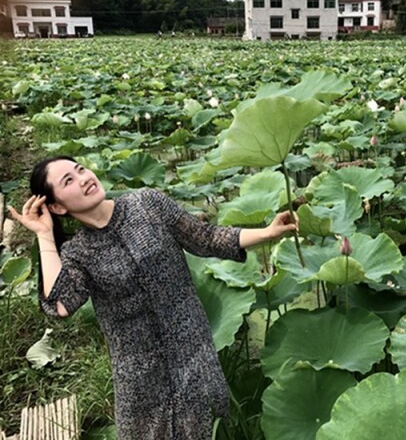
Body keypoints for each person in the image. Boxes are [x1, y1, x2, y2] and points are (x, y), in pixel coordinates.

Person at [7, 156, 298, 440]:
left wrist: (267, 232)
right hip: (140, 377)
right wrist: (45, 236)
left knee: (207, 429)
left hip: (192, 355)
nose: (83, 179)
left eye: (80, 169)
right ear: (57, 206)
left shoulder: (148, 204)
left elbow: (205, 237)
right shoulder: (77, 253)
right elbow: (60, 305)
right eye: (68, 180)